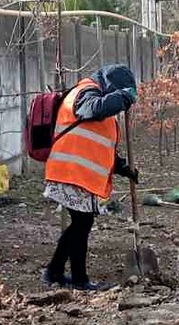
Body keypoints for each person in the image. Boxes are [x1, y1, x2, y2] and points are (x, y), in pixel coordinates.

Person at [42, 64, 140, 291]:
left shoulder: (102, 101)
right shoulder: (86, 92)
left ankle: (55, 272)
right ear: (112, 87)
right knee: (82, 223)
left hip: (77, 174)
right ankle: (77, 278)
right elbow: (92, 110)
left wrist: (123, 168)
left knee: (81, 224)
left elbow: (98, 146)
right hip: (68, 171)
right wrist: (122, 97)